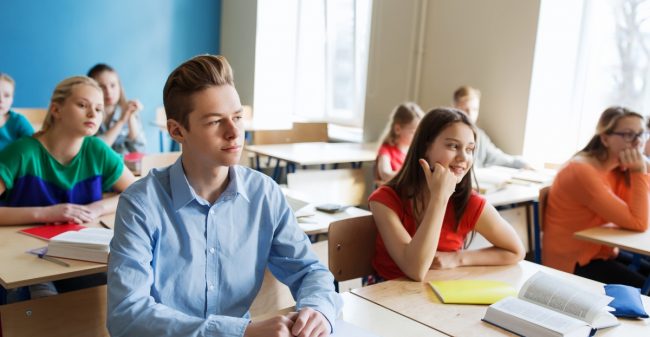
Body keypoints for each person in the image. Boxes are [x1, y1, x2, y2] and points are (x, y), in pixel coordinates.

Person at [107, 55, 341, 337]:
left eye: (238, 117)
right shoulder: (141, 203)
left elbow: (309, 271)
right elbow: (127, 315)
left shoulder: (264, 193)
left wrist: (319, 311)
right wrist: (241, 332)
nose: (234, 133)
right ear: (177, 131)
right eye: (216, 122)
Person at [0, 76, 135, 298]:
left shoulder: (97, 150)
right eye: (82, 105)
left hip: (79, 256)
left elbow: (137, 193)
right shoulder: (22, 153)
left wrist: (98, 208)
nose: (93, 114)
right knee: (35, 302)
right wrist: (45, 214)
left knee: (119, 288)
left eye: (99, 109)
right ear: (56, 110)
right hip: (22, 261)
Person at [369, 107, 525, 282]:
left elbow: (516, 251)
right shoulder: (385, 200)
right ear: (425, 147)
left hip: (439, 297)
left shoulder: (468, 202)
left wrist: (457, 258)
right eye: (453, 146)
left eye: (470, 149)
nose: (463, 157)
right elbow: (415, 269)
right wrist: (439, 197)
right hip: (385, 299)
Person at [543, 107, 649, 287]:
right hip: (573, 263)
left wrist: (642, 166)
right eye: (629, 135)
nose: (637, 142)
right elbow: (638, 222)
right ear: (605, 138)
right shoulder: (582, 171)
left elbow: (638, 212)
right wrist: (639, 170)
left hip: (601, 252)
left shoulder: (617, 168)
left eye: (642, 134)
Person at [453, 86, 531, 169]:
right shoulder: (448, 134)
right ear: (454, 108)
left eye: (475, 109)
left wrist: (522, 164)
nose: (471, 114)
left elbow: (497, 156)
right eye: (466, 109)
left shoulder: (479, 135)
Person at [87, 64, 146, 155]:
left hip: (126, 168)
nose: (109, 92)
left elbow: (139, 152)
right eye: (102, 87)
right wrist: (121, 121)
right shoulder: (87, 116)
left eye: (113, 85)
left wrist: (130, 117)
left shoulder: (129, 111)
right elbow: (95, 152)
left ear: (119, 87)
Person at [375, 102, 424, 184]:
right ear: (398, 129)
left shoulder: (412, 151)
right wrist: (410, 177)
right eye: (413, 132)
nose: (417, 137)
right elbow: (385, 174)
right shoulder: (386, 150)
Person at [0, 73, 34, 150]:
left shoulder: (18, 121)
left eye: (7, 95)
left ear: (12, 99)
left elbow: (34, 145)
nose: (1, 100)